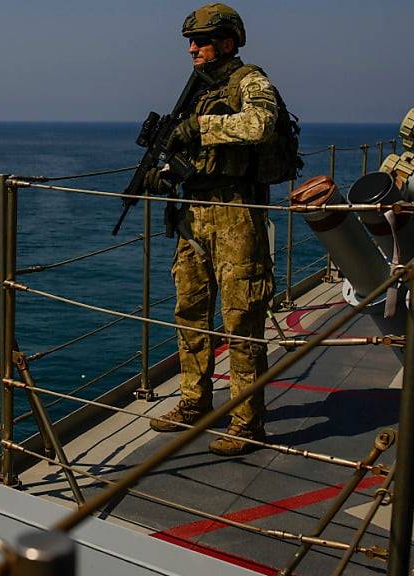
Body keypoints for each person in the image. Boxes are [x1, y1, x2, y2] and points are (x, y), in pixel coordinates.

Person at [147, 2, 277, 457]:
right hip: (195, 212)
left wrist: (198, 127)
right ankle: (194, 401)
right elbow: (190, 150)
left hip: (235, 211)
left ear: (226, 42)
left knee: (241, 317)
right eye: (191, 42)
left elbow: (261, 124)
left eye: (200, 41)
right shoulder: (199, 90)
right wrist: (164, 172)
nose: (192, 49)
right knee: (190, 309)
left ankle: (247, 421)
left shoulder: (249, 82)